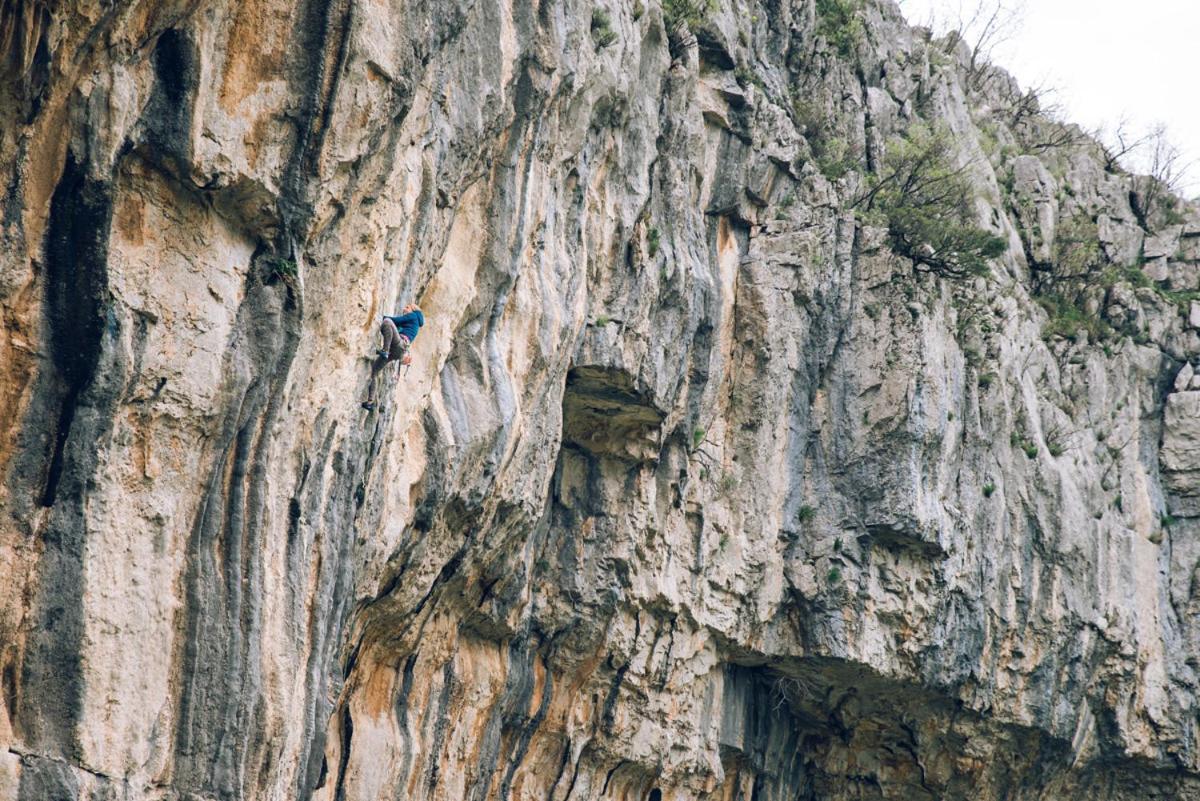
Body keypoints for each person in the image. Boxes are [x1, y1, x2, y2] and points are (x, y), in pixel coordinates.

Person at [362, 304, 425, 410]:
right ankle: (370, 402)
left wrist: (380, 317)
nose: (404, 308)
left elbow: (395, 321)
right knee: (374, 371)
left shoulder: (413, 316)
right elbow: (393, 330)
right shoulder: (413, 323)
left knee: (387, 322)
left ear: (413, 309)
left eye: (407, 307)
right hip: (397, 351)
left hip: (399, 345)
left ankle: (384, 350)